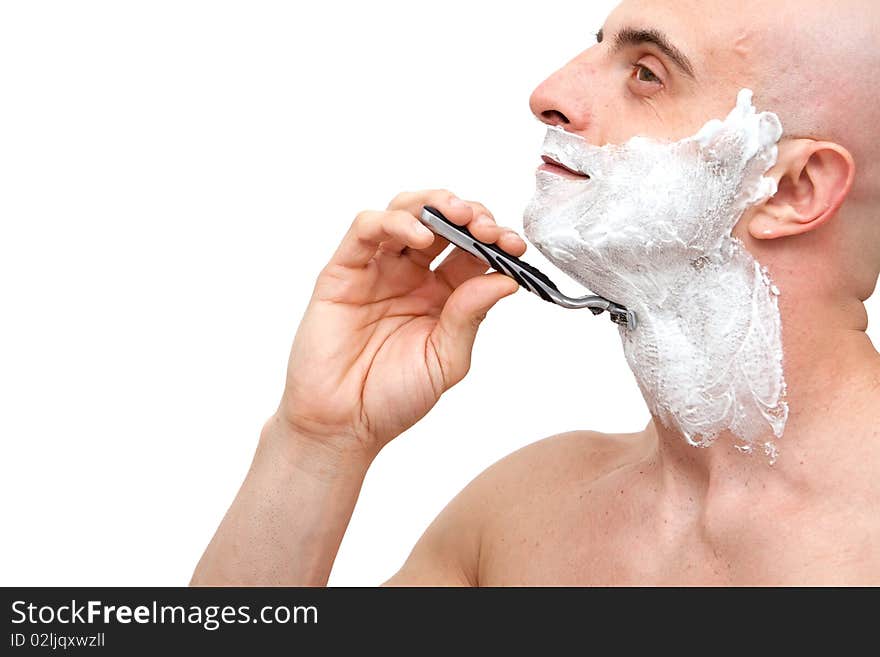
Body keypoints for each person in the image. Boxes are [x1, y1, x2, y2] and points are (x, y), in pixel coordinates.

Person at [191, 0, 880, 585]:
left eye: (645, 73)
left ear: (792, 189)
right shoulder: (520, 517)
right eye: (597, 50)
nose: (548, 92)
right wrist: (319, 440)